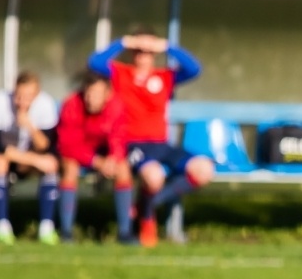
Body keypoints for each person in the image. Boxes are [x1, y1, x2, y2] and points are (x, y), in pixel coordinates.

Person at [88, 31, 213, 248]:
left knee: (204, 170)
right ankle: (146, 219)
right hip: (133, 144)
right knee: (154, 177)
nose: (143, 56)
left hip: (161, 144)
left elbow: (195, 69)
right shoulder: (121, 73)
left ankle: (145, 206)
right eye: (138, 51)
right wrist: (125, 42)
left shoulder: (164, 77)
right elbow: (95, 62)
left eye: (148, 52)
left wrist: (167, 46)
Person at [0, 72, 61, 245]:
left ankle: (46, 228)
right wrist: (34, 160)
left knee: (51, 165)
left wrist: (30, 126)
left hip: (24, 156)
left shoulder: (46, 104)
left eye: (28, 97)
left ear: (37, 94)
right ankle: (2, 228)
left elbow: (46, 146)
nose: (22, 101)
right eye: (18, 96)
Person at [56, 70, 132, 243]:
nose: (91, 99)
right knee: (70, 169)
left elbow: (119, 137)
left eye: (96, 94)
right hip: (76, 153)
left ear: (108, 94)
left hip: (103, 154)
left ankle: (125, 232)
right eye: (88, 93)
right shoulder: (71, 105)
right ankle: (66, 232)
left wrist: (114, 158)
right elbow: (68, 144)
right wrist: (97, 162)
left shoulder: (116, 105)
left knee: (123, 169)